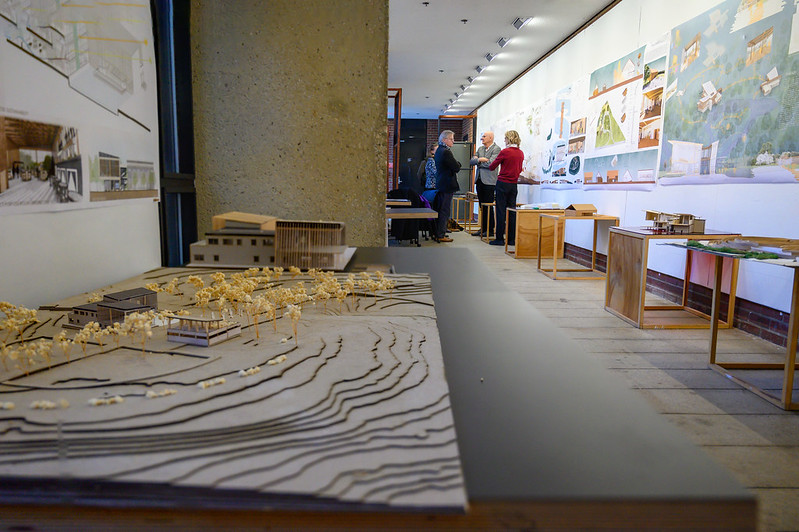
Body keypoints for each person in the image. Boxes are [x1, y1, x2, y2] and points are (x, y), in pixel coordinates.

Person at [488, 130, 524, 246]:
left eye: (505, 138)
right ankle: (511, 239)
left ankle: (499, 238)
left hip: (502, 183)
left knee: (500, 211)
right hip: (514, 185)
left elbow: (492, 166)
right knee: (512, 211)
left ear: (509, 139)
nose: (504, 140)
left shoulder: (505, 152)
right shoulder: (520, 153)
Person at [469, 131, 501, 238]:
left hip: (489, 182)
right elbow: (472, 161)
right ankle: (483, 228)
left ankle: (490, 229)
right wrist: (480, 159)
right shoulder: (480, 149)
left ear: (490, 138)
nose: (481, 138)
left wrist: (479, 161)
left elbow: (491, 163)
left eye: (484, 136)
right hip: (479, 181)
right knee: (482, 206)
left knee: (488, 206)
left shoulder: (496, 149)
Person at [433, 130, 461, 243]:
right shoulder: (446, 152)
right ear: (444, 139)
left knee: (441, 209)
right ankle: (441, 234)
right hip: (447, 184)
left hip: (441, 183)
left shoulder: (439, 150)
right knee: (444, 210)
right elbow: (456, 167)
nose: (453, 141)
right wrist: (458, 163)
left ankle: (439, 232)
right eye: (451, 139)